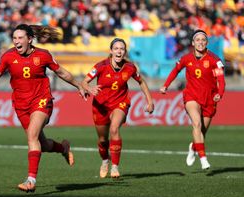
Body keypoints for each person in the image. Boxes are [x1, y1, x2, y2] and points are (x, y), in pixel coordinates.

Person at [0, 24, 86, 193]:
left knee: (32, 136)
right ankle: (63, 148)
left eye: (20, 38)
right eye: (14, 38)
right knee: (41, 144)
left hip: (42, 100)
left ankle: (30, 180)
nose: (16, 41)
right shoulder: (8, 56)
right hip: (21, 105)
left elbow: (62, 73)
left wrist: (79, 85)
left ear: (29, 39)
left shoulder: (43, 55)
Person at [81, 38, 154, 179]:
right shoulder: (101, 66)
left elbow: (142, 82)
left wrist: (149, 101)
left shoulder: (130, 67)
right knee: (102, 140)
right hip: (100, 105)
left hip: (120, 102)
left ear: (125, 52)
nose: (119, 51)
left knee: (114, 129)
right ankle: (104, 161)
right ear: (111, 51)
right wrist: (89, 88)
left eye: (122, 49)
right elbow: (84, 81)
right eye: (116, 49)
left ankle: (115, 166)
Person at [160, 29, 226, 170]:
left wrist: (219, 94)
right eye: (198, 40)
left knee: (202, 131)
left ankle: (193, 147)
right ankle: (203, 159)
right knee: (196, 124)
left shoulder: (215, 60)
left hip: (209, 98)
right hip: (191, 96)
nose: (200, 42)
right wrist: (166, 85)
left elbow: (221, 80)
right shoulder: (186, 59)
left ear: (206, 43)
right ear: (193, 43)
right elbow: (175, 71)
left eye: (203, 40)